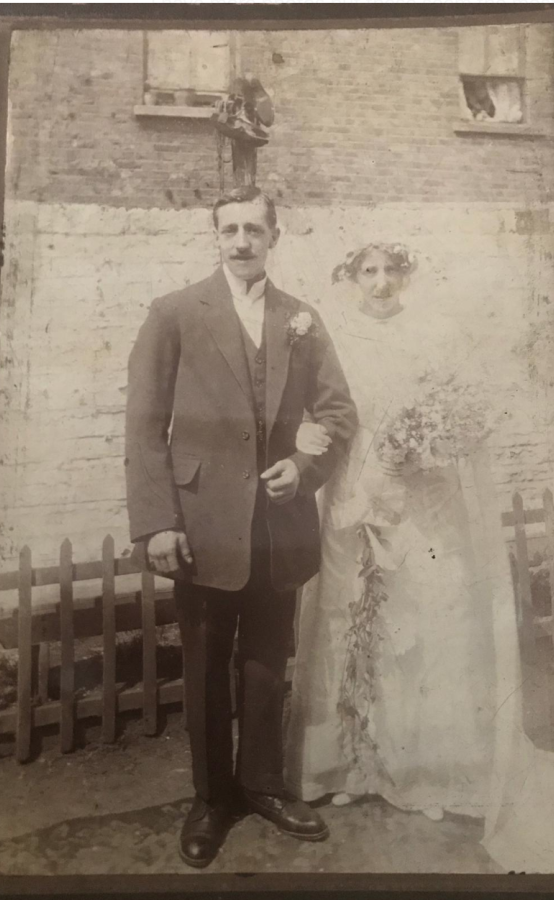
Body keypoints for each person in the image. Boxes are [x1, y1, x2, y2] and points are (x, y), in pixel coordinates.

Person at [286, 243, 554, 873]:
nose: (379, 283)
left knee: (425, 624)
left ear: (405, 275)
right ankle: (358, 762)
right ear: (350, 278)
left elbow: (454, 411)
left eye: (389, 271)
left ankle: (427, 770)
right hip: (353, 488)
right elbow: (315, 408)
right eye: (366, 272)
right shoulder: (331, 338)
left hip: (420, 493)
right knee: (354, 623)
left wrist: (428, 445)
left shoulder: (430, 333)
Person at [124, 186, 358, 868]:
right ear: (216, 235)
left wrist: (302, 470)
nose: (241, 241)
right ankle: (210, 798)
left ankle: (262, 786)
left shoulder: (301, 318)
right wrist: (158, 523)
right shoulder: (173, 314)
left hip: (277, 524)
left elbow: (338, 414)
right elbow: (143, 428)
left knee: (266, 660)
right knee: (204, 663)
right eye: (229, 229)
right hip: (200, 524)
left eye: (254, 228)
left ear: (274, 235)